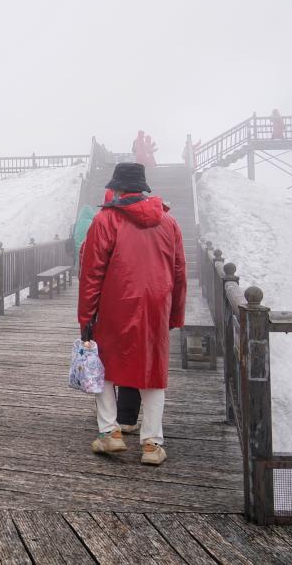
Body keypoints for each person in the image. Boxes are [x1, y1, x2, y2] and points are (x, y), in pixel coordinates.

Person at [78, 162, 186, 466]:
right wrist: (175, 314)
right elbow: (179, 272)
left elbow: (91, 274)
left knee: (105, 366)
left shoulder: (105, 220)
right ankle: (152, 444)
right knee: (153, 371)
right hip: (156, 305)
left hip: (116, 302)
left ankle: (110, 432)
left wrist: (86, 317)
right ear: (143, 189)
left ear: (117, 189)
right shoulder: (169, 222)